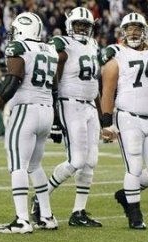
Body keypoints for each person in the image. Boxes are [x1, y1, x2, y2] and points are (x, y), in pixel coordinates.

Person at [0, 12, 59, 233]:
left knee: (18, 165)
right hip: (46, 110)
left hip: (26, 109)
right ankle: (47, 216)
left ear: (22, 29)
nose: (12, 34)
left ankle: (22, 220)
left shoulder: (20, 48)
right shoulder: (50, 49)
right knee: (34, 165)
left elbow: (12, 81)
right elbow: (55, 85)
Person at [31, 7, 102, 227]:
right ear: (70, 25)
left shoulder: (93, 44)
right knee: (77, 160)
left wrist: (103, 114)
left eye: (85, 25)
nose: (81, 28)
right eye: (78, 24)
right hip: (69, 103)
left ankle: (78, 211)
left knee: (90, 162)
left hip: (89, 105)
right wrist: (53, 115)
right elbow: (53, 77)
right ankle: (40, 199)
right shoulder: (61, 44)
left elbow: (94, 82)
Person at [101, 12, 148, 230]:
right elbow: (108, 92)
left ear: (145, 31)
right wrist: (107, 123)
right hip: (128, 118)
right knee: (135, 167)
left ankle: (125, 194)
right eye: (129, 28)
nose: (133, 32)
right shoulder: (117, 54)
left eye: (137, 28)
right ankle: (135, 214)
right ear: (122, 31)